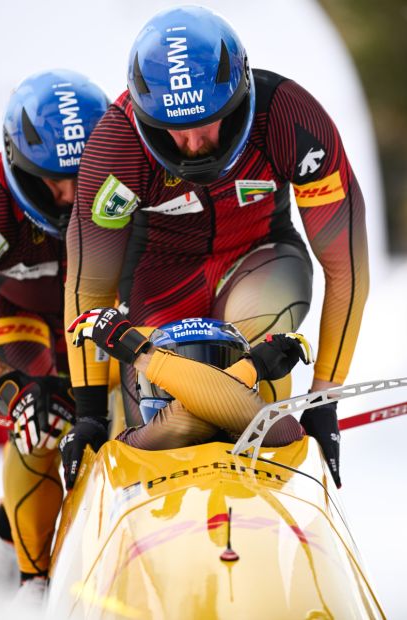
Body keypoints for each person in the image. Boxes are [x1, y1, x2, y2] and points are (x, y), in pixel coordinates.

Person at [63, 6, 369, 495]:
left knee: (243, 354)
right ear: (144, 117)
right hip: (159, 284)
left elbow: (344, 265)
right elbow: (90, 285)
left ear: (241, 97)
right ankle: (260, 421)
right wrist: (90, 414)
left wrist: (325, 395)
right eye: (171, 127)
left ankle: (264, 447)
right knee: (162, 405)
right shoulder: (116, 145)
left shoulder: (292, 119)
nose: (193, 142)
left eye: (211, 121)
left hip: (259, 261)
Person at [0, 68, 108, 603]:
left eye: (85, 176)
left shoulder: (137, 174)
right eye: (53, 180)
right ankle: (32, 584)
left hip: (98, 315)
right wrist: (13, 390)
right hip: (20, 323)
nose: (69, 196)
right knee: (40, 416)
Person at [61, 308, 313, 466]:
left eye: (211, 366)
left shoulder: (283, 431)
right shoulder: (131, 445)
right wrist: (251, 367)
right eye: (174, 383)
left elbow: (209, 408)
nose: (185, 388)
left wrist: (138, 352)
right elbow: (182, 424)